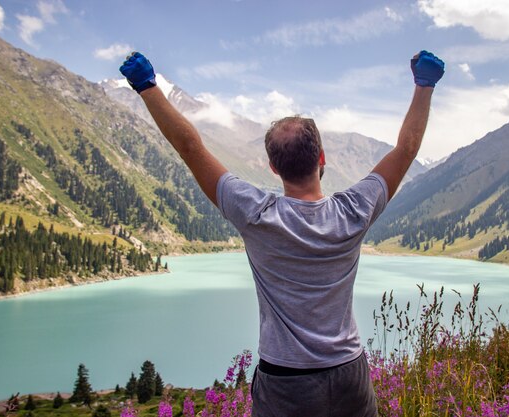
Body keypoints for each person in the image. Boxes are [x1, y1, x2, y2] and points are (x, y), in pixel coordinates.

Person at [120, 50, 444, 417]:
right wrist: (424, 85)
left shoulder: (256, 214)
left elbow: (191, 148)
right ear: (322, 159)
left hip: (285, 381)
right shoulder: (354, 211)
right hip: (349, 373)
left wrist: (147, 87)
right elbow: (405, 150)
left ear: (273, 167)